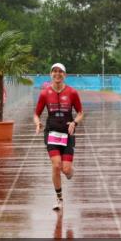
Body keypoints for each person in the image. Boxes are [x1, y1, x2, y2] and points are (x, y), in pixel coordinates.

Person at [34, 63, 83, 211]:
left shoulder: (72, 93)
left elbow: (80, 112)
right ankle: (59, 198)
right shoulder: (44, 93)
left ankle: (70, 172)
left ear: (65, 75)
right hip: (52, 133)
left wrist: (74, 122)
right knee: (56, 165)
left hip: (67, 134)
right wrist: (37, 124)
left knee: (66, 169)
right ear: (50, 74)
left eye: (60, 72)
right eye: (54, 71)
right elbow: (36, 114)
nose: (57, 74)